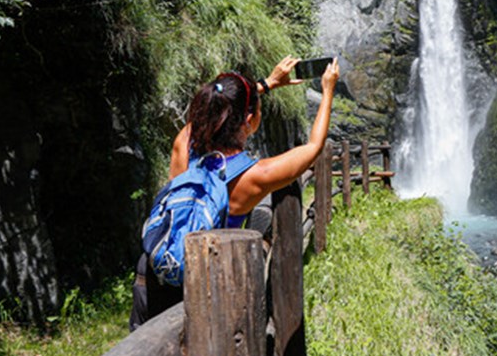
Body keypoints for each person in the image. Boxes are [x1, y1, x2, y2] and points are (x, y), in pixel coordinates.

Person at [129, 56, 339, 330]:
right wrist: (328, 91)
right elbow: (313, 147)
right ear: (249, 120)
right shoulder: (254, 177)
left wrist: (266, 84)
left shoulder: (185, 140)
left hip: (152, 273)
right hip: (203, 286)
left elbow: (212, 107)